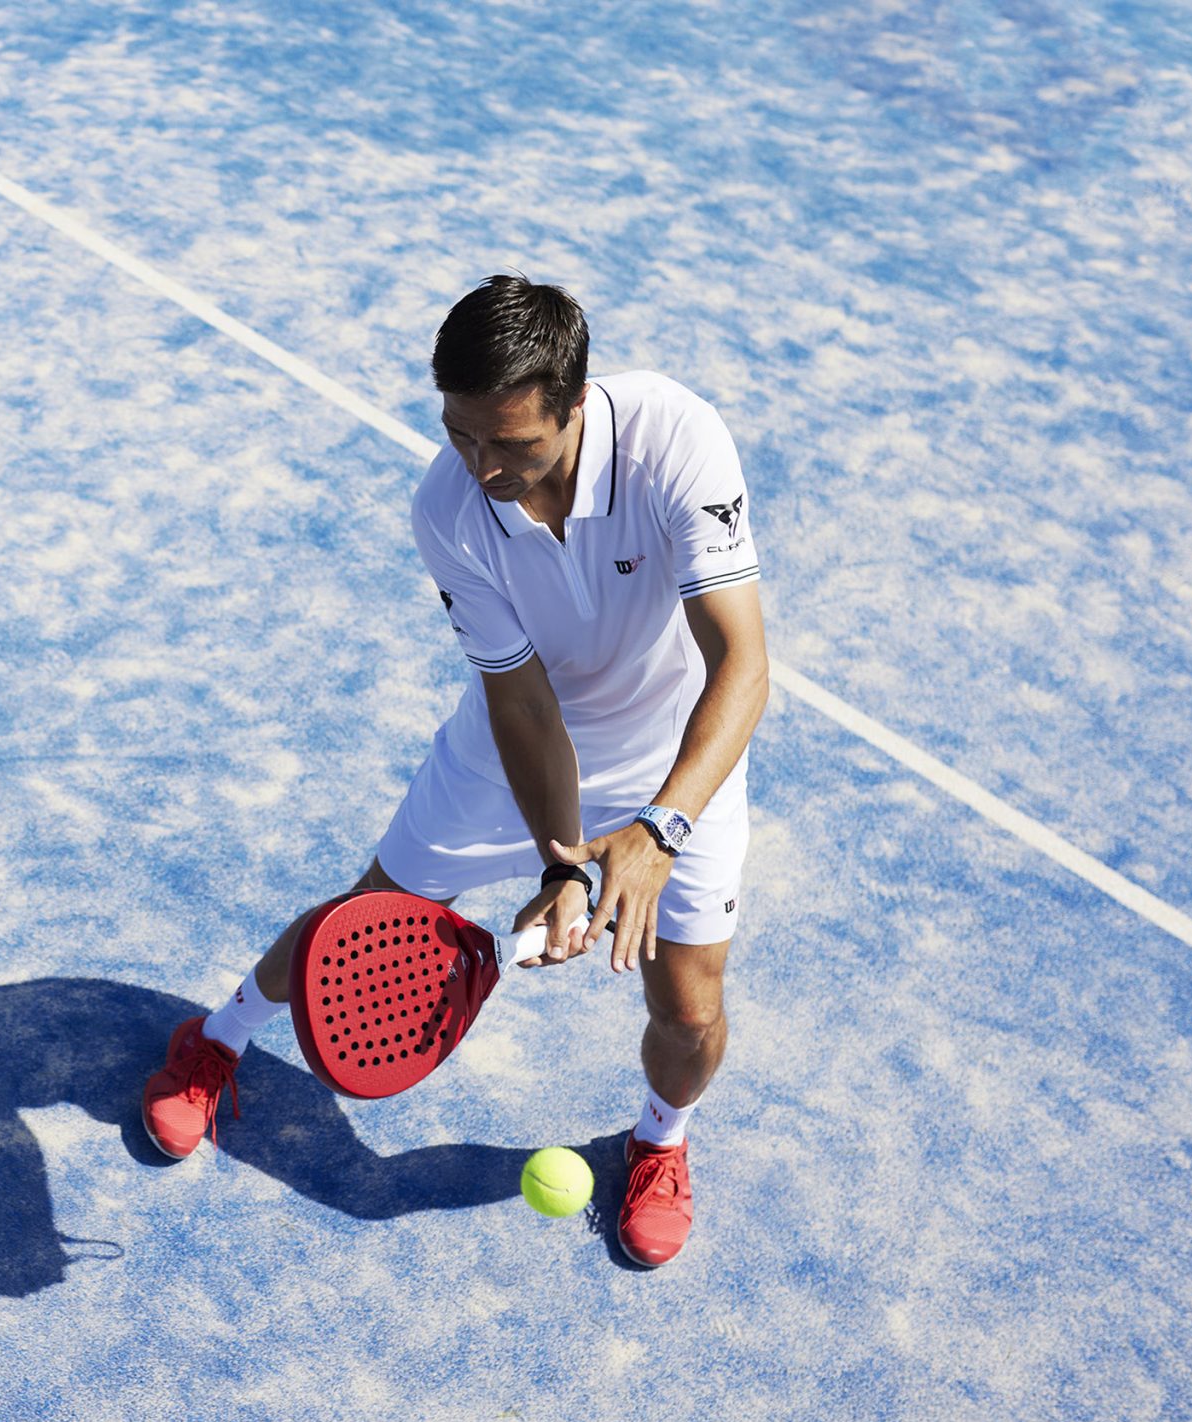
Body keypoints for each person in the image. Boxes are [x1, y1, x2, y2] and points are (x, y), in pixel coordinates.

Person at [139, 275, 771, 1267]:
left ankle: (658, 1141)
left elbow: (742, 662)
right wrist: (562, 864)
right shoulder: (448, 503)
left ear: (574, 401)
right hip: (509, 753)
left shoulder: (674, 439)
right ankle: (214, 1038)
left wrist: (659, 828)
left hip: (680, 757)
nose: (481, 467)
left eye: (510, 444)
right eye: (460, 435)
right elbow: (520, 700)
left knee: (688, 1009)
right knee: (362, 915)